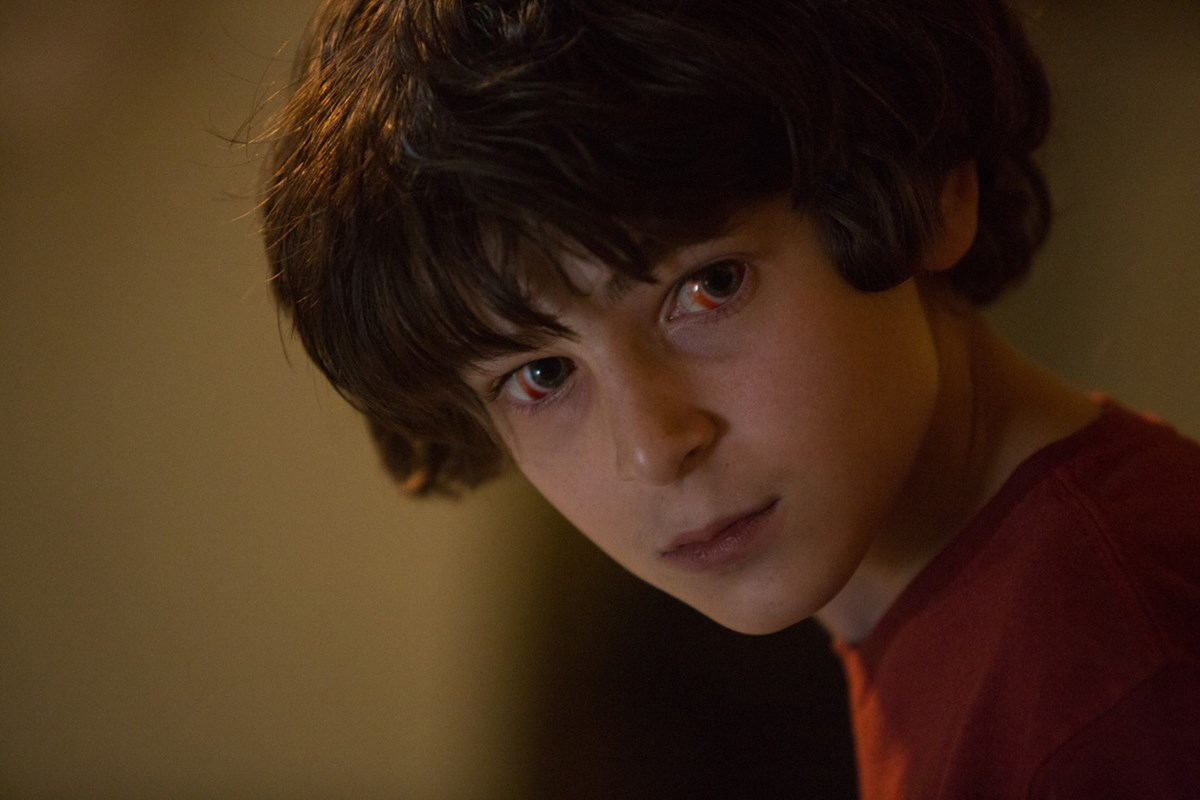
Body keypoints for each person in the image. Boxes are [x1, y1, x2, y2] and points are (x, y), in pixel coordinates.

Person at [260, 0, 1200, 795]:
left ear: (925, 187)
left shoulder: (1116, 680)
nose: (653, 445)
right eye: (540, 375)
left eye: (708, 288)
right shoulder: (994, 618)